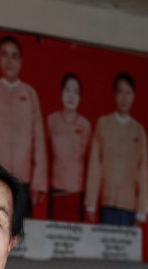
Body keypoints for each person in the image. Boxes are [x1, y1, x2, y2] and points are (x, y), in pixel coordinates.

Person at [0, 37, 47, 208]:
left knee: (22, 232)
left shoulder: (29, 94)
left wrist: (38, 182)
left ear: (21, 61)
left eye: (14, 55)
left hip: (22, 180)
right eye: (5, 54)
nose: (9, 60)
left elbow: (38, 140)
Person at [85, 72, 148, 227]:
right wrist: (91, 203)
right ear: (114, 95)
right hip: (107, 202)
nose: (124, 98)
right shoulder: (103, 124)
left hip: (129, 205)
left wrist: (142, 210)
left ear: (134, 96)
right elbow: (95, 166)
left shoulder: (138, 130)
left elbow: (143, 172)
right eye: (120, 92)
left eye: (128, 92)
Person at [46, 73, 91, 222]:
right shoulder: (51, 121)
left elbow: (87, 160)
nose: (71, 95)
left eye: (75, 91)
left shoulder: (85, 125)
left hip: (76, 195)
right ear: (61, 93)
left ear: (80, 96)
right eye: (67, 90)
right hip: (56, 193)